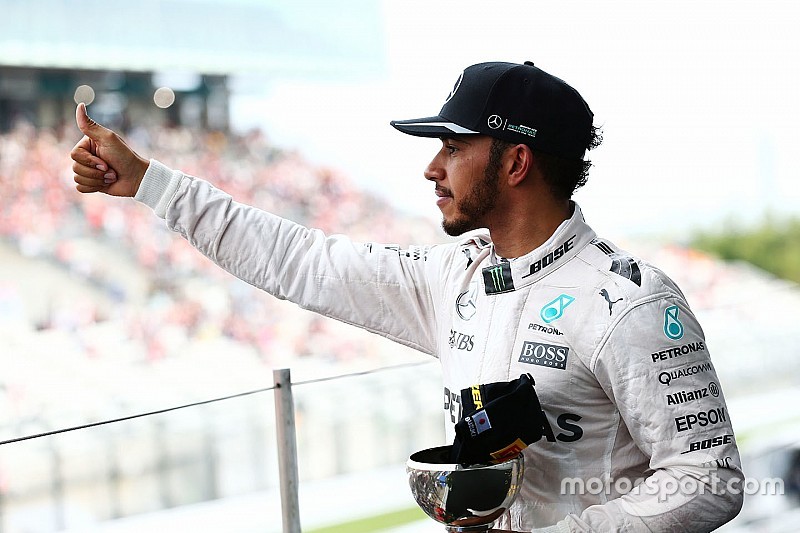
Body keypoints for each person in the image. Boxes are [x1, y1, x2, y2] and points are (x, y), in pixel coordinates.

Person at [71, 61, 743, 532]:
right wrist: (150, 183)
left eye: (452, 145)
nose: (431, 166)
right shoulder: (452, 278)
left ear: (516, 163)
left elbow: (711, 477)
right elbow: (294, 258)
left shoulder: (632, 302)